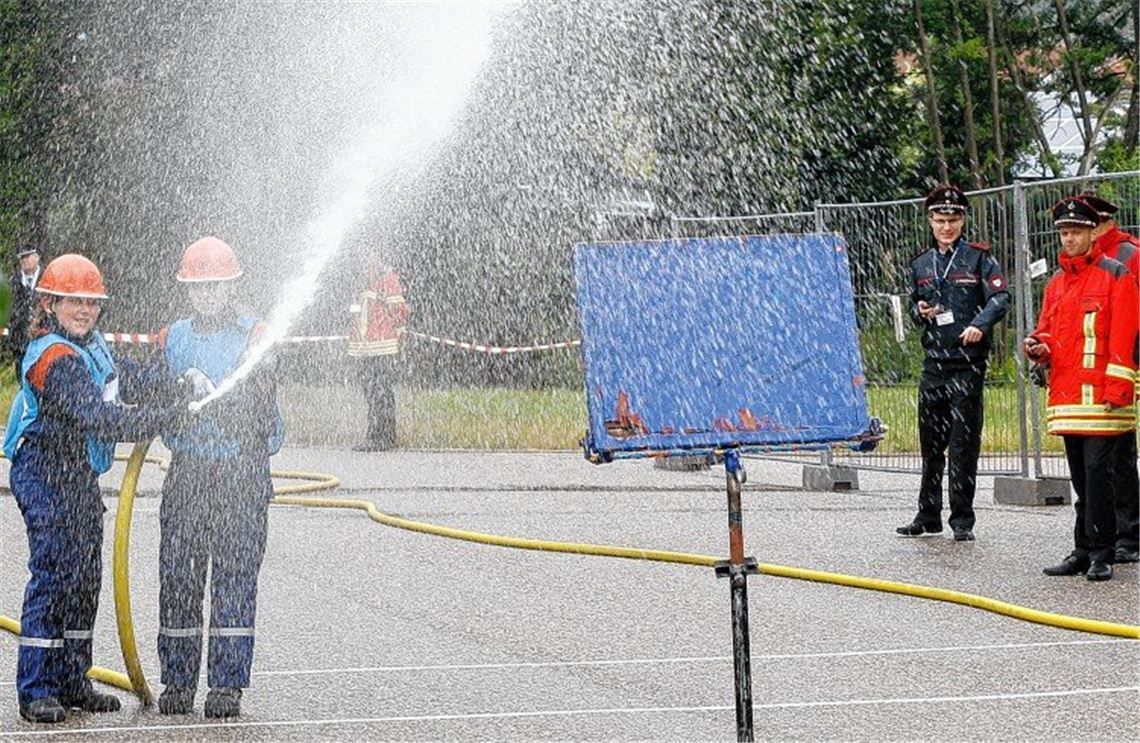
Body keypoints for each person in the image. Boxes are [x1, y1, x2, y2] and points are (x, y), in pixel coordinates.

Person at [3, 254, 180, 723]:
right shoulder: (53, 357)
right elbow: (96, 416)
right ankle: (36, 689)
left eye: (92, 302)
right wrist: (163, 419)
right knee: (54, 571)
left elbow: (129, 381)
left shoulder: (94, 346)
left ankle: (73, 680)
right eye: (74, 301)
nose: (85, 310)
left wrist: (174, 382)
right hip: (43, 471)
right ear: (50, 304)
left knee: (84, 577)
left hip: (77, 473)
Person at [155, 236, 283, 719]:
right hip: (189, 470)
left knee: (234, 575)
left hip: (240, 471)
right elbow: (153, 393)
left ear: (233, 286)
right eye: (199, 286)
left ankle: (227, 685)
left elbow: (259, 407)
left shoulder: (257, 335)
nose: (207, 294)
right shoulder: (173, 337)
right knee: (179, 575)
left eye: (216, 285)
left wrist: (218, 401)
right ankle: (178, 679)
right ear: (186, 289)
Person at [1026, 197, 1139, 582]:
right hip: (1069, 398)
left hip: (1104, 401)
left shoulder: (1116, 274)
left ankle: (1102, 552)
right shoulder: (1056, 283)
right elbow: (1050, 332)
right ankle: (1083, 549)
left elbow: (1125, 335)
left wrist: (1119, 390)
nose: (1069, 239)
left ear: (1093, 233)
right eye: (1064, 233)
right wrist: (1038, 347)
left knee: (1097, 474)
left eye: (1076, 232)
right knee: (1080, 477)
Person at [897, 184, 1011, 541]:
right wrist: (920, 311)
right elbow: (914, 304)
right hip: (934, 362)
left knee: (962, 443)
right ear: (930, 221)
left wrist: (980, 324)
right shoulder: (920, 262)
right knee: (931, 443)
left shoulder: (978, 258)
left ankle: (962, 519)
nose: (946, 227)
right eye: (940, 220)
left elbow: (1001, 297)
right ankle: (927, 514)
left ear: (962, 221)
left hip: (967, 363)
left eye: (953, 220)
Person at [1081, 191, 1140, 564]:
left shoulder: (1127, 255)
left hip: (1125, 362)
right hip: (1091, 370)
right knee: (1098, 459)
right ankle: (1104, 532)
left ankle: (1128, 534)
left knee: (1120, 452)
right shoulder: (1084, 260)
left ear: (1103, 223)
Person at [346, 260, 409, 451]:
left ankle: (384, 436)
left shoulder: (386, 277)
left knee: (381, 391)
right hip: (364, 346)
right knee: (371, 392)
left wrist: (399, 332)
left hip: (382, 346)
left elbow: (399, 310)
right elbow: (356, 313)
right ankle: (375, 435)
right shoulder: (362, 280)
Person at [5, 244, 43, 376]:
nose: (24, 260)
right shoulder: (12, 282)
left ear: (37, 257)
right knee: (22, 376)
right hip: (19, 342)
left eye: (27, 256)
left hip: (44, 339)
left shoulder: (47, 279)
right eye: (22, 258)